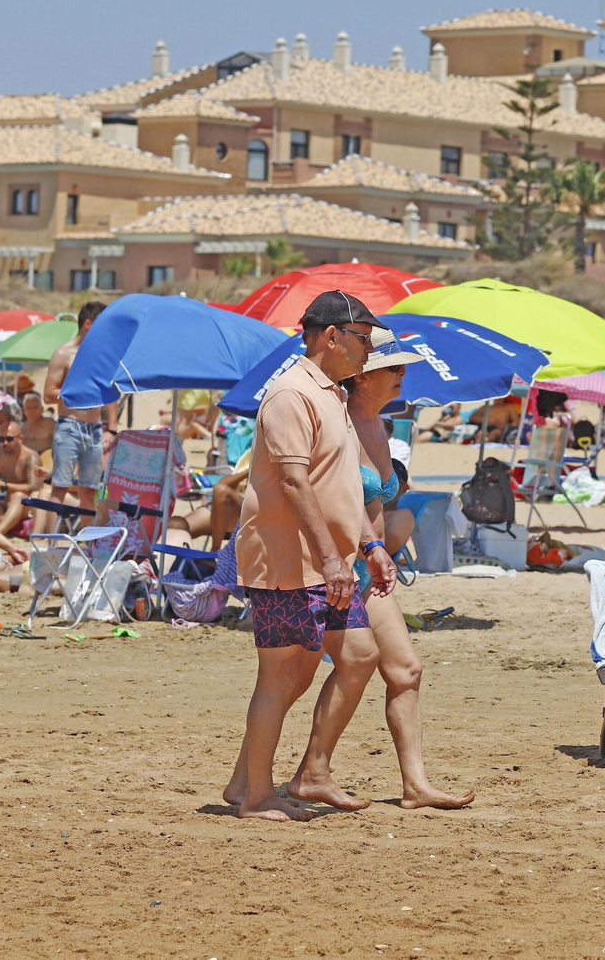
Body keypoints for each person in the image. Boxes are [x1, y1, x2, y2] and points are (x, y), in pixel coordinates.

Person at [222, 291, 398, 822]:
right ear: (331, 337)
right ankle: (254, 796)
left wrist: (369, 545)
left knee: (360, 656)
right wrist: (330, 559)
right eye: (363, 338)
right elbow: (294, 484)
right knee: (282, 676)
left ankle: (296, 775)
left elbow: (338, 484)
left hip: (330, 561)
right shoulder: (291, 394)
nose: (370, 350)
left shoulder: (332, 394)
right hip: (287, 560)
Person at [331, 343, 473, 809]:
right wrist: (368, 546)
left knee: (405, 670)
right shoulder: (339, 420)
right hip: (333, 566)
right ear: (363, 376)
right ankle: (303, 770)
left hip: (369, 569)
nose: (402, 376)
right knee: (289, 679)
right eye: (392, 368)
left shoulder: (379, 425)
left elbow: (378, 498)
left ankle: (415, 785)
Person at [42, 302, 110, 531]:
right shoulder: (63, 354)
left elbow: (110, 393)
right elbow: (48, 394)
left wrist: (112, 428)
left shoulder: (102, 356)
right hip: (69, 426)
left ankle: (88, 546)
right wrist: (77, 391)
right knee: (59, 488)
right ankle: (51, 544)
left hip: (95, 428)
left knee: (89, 491)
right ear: (88, 324)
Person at [0, 423, 43, 535]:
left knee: (18, 496)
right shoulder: (0, 456)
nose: (5, 443)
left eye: (9, 439)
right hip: (7, 506)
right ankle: (11, 523)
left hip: (27, 506)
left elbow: (35, 487)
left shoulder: (30, 457)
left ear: (20, 438)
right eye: (1, 439)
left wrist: (4, 485)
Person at [19, 391, 55, 455]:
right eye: (28, 408)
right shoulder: (23, 428)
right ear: (24, 411)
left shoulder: (49, 424)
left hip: (47, 461)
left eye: (35, 407)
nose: (31, 411)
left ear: (41, 409)